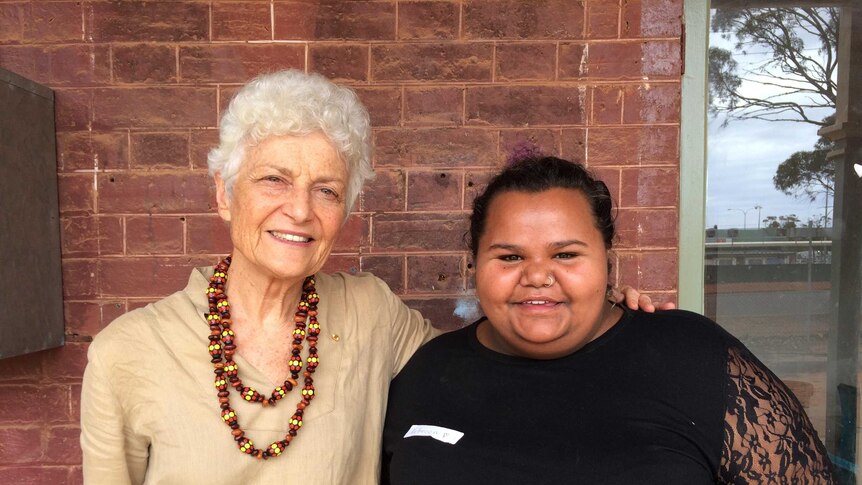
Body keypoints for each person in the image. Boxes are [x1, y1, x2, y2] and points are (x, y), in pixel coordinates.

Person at [79, 71, 660, 484]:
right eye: (273, 180)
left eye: (326, 190)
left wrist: (602, 321)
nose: (301, 210)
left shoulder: (369, 313)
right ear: (223, 195)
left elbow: (495, 363)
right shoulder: (128, 352)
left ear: (345, 212)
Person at [382, 156, 835, 484]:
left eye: (566, 254)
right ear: (475, 264)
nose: (538, 276)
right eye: (510, 256)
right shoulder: (427, 370)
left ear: (607, 262)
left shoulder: (691, 357)